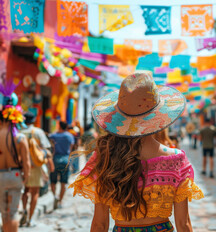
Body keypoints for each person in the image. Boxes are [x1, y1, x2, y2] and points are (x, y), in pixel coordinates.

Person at [69, 72, 203, 231]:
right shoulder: (176, 161)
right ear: (157, 117)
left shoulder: (105, 157)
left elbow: (100, 224)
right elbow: (183, 224)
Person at [0, 82, 30, 232]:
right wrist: (24, 178)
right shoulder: (20, 138)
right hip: (15, 175)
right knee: (12, 214)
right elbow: (27, 164)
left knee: (4, 214)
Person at [20, 112, 54, 227]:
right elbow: (46, 148)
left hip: (23, 167)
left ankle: (24, 209)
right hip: (36, 166)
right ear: (34, 120)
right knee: (35, 193)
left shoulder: (19, 132)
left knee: (25, 191)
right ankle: (30, 218)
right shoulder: (38, 132)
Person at [49, 121, 75, 209]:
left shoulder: (54, 136)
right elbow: (71, 148)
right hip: (65, 159)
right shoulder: (69, 136)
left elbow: (48, 140)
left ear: (59, 126)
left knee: (53, 181)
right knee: (63, 182)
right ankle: (60, 201)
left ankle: (55, 196)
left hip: (55, 159)